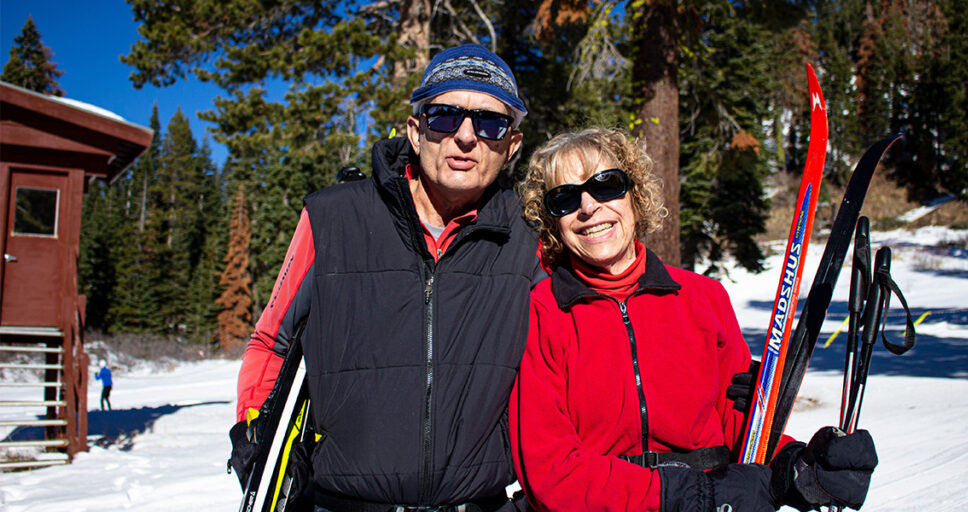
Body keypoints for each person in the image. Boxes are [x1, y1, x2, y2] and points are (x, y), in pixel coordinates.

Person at [230, 44, 543, 511]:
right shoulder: (333, 217)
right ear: (416, 132)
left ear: (511, 145)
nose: (465, 137)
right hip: (343, 502)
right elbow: (273, 340)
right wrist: (255, 429)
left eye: (490, 123)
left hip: (479, 504)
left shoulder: (530, 235)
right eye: (444, 116)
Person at [511, 128, 878, 512]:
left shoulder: (703, 298)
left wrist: (799, 469)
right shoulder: (541, 312)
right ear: (552, 222)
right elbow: (549, 470)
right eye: (564, 198)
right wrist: (685, 496)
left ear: (634, 195)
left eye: (606, 185)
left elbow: (742, 426)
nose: (588, 207)